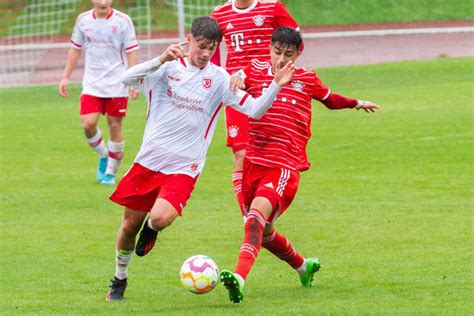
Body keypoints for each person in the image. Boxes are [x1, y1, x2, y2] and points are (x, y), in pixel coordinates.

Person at [105, 16, 295, 302]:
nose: (206, 53)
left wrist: (276, 86)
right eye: (202, 46)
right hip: (148, 162)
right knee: (128, 226)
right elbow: (126, 79)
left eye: (212, 48)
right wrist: (158, 59)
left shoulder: (219, 79)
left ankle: (153, 229)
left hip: (184, 167)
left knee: (160, 217)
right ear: (189, 40)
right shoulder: (166, 68)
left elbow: (254, 110)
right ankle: (119, 279)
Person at [219, 26, 381, 303]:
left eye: (288, 55)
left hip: (283, 167)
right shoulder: (256, 69)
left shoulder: (306, 79)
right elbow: (238, 78)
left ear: (299, 54)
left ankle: (239, 279)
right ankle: (304, 267)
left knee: (255, 219)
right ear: (269, 49)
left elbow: (330, 99)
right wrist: (234, 78)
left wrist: (356, 102)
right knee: (263, 232)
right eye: (277, 52)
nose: (281, 60)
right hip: (253, 164)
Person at [210, 0, 301, 216]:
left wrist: (282, 67)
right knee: (241, 154)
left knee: (269, 152)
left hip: (266, 89)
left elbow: (297, 42)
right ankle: (248, 217)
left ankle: (264, 205)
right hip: (236, 92)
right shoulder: (220, 13)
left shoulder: (272, 7)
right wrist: (215, 77)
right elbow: (210, 49)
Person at [59, 0, 140, 185]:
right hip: (92, 84)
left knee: (115, 125)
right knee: (88, 124)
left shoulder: (123, 21)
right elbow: (75, 49)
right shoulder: (83, 20)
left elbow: (132, 52)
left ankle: (111, 172)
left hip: (117, 83)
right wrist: (65, 77)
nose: (103, 2)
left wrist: (133, 81)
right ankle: (104, 155)